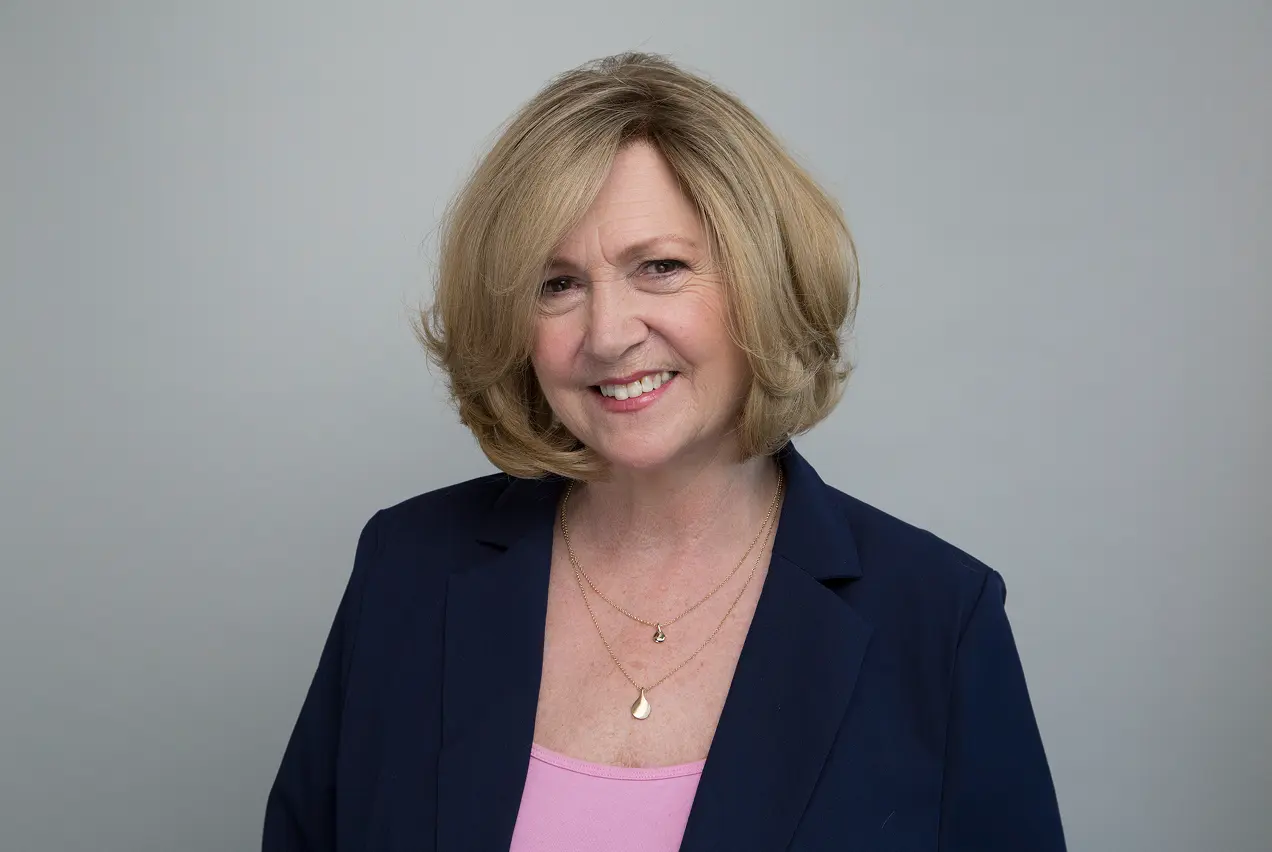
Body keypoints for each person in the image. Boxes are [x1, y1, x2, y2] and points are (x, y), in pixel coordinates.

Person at [262, 52, 1065, 851]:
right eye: (557, 284)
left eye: (660, 267)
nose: (608, 335)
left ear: (764, 282)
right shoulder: (406, 569)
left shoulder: (936, 620)